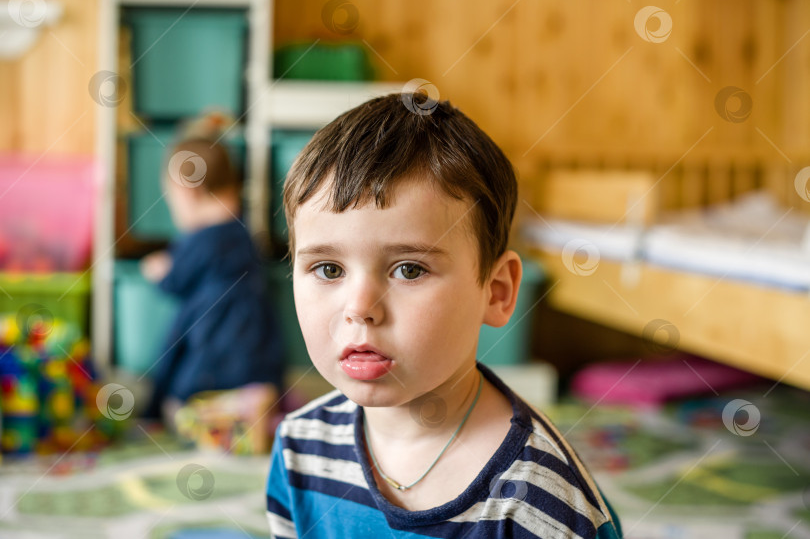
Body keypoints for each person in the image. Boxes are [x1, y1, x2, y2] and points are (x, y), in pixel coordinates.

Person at [265, 93, 622, 538]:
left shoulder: (540, 503)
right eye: (328, 269)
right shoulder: (299, 448)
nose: (359, 308)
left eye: (409, 269)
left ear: (497, 291)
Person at [141, 113, 284, 424]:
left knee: (177, 403)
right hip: (254, 339)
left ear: (187, 191)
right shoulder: (242, 231)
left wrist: (158, 271)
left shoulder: (202, 238)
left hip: (213, 339)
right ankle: (252, 401)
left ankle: (210, 411)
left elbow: (176, 280)